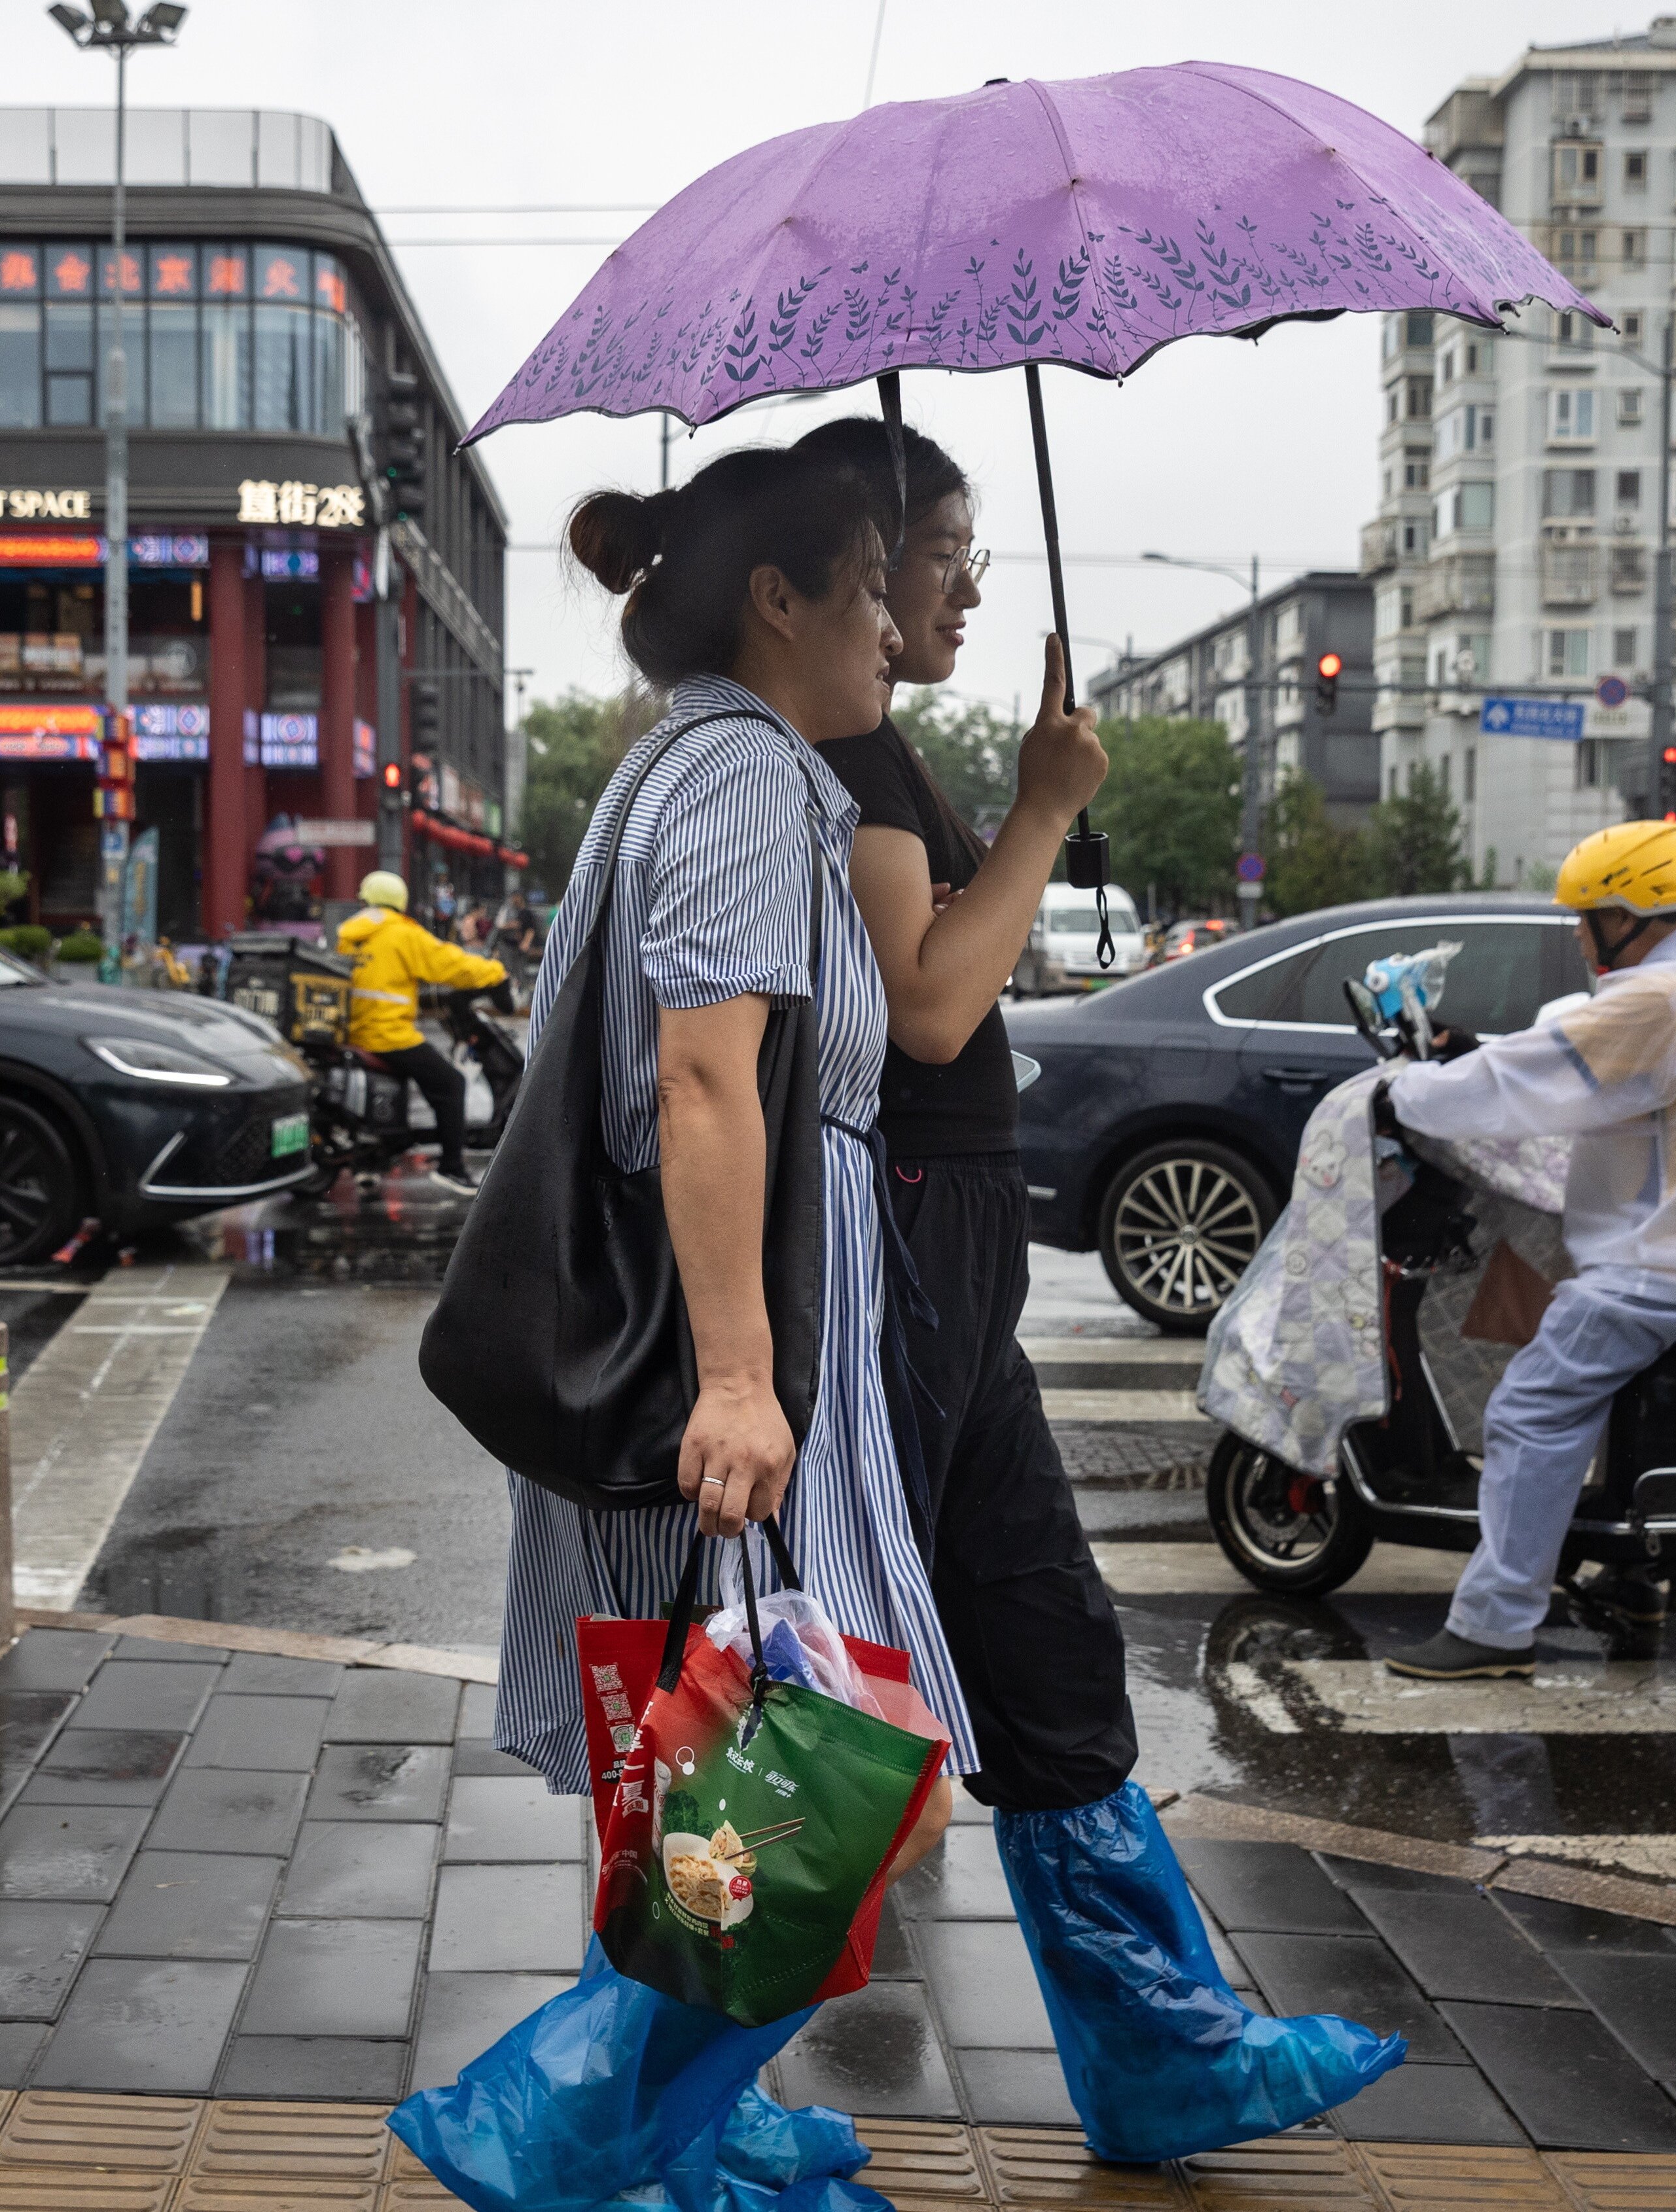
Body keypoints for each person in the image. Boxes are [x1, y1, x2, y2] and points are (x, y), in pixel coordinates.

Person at [783, 413, 1399, 2166]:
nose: (968, 588)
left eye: (978, 559)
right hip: (895, 1239)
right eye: (943, 558)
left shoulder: (889, 755)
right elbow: (927, 1006)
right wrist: (1050, 807)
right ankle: (617, 2098)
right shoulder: (844, 764)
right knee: (834, 1681)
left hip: (952, 1252)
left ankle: (1158, 2048)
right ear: (856, 572)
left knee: (1047, 1646)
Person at [395, 444, 955, 2211]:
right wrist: (736, 1377)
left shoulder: (743, 766)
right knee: (816, 1771)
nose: (887, 619)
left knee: (712, 1769)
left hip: (735, 1344)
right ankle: (575, 2131)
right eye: (865, 581)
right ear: (774, 600)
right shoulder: (729, 771)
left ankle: (677, 2128)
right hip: (699, 1357)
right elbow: (705, 1076)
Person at [1375, 818, 1676, 1681]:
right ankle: (1632, 1580)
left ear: (1629, 912)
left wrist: (1406, 1090)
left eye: (1586, 915)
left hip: (1665, 1267)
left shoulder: (1662, 996)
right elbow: (1580, 1074)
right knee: (1617, 1418)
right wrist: (1476, 1054)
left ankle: (1494, 1625)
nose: (1577, 933)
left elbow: (1527, 1081)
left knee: (1529, 1414)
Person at [336, 869, 509, 1191]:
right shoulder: (401, 933)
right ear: (398, 901)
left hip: (354, 1033)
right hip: (387, 1033)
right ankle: (452, 1167)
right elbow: (448, 963)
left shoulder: (349, 934)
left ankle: (372, 1159)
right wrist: (496, 973)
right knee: (451, 1084)